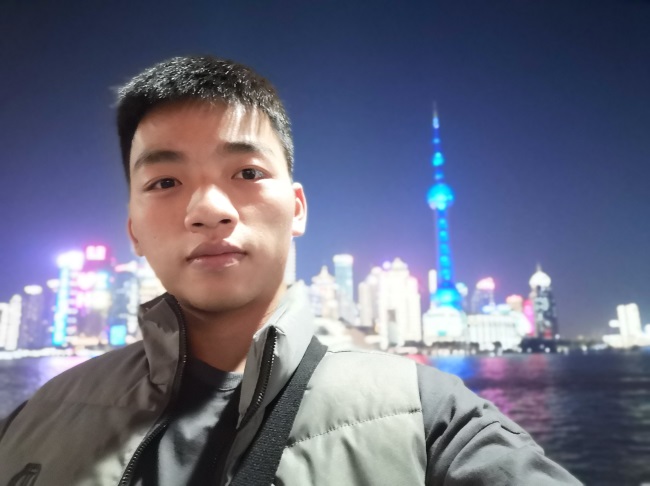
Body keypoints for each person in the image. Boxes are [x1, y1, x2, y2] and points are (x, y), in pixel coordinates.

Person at [0, 55, 581, 485]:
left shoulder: (430, 418)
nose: (209, 210)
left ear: (298, 208)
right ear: (133, 230)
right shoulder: (36, 420)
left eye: (247, 173)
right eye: (165, 181)